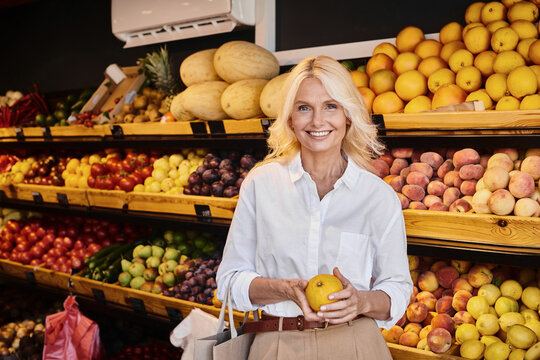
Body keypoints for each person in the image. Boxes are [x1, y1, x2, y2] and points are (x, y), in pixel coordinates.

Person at [216, 55, 413, 359]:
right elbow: (228, 283)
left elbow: (398, 288)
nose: (318, 121)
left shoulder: (377, 196)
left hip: (355, 343)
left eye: (331, 106)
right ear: (290, 119)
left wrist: (360, 302)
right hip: (277, 342)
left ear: (348, 115)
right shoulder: (262, 184)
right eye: (304, 108)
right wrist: (281, 289)